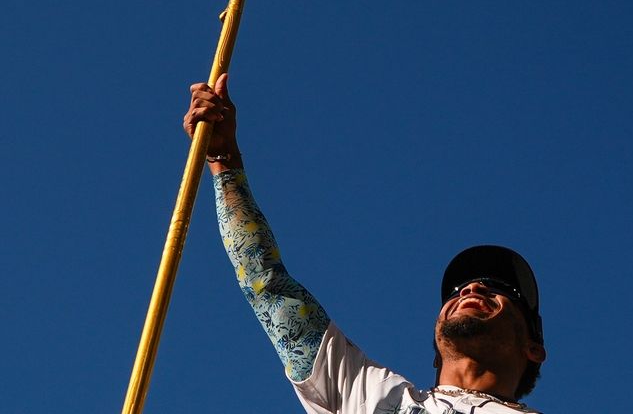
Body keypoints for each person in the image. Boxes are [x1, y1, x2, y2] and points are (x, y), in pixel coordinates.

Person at [184, 74, 547, 414]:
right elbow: (267, 285)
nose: (472, 287)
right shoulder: (371, 395)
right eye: (456, 290)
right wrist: (223, 159)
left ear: (534, 349)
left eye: (502, 289)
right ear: (436, 352)